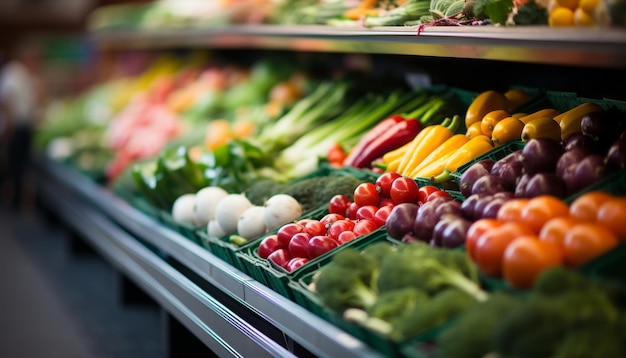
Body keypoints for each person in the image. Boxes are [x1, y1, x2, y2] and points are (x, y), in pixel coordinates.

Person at [0, 41, 46, 211]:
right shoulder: (13, 74)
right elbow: (6, 101)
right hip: (15, 127)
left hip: (25, 127)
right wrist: (9, 126)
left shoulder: (29, 77)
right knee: (12, 164)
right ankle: (11, 200)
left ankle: (17, 200)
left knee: (20, 165)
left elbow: (38, 101)